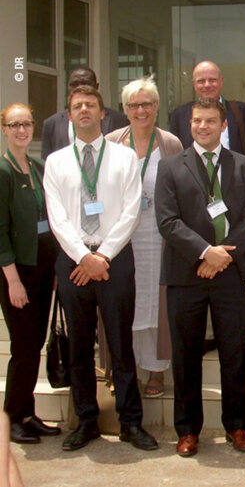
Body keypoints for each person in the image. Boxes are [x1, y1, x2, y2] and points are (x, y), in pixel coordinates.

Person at [43, 85, 157, 452]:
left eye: (90, 105)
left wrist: (103, 256)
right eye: (77, 106)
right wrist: (83, 257)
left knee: (121, 344)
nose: (84, 111)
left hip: (115, 259)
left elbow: (131, 210)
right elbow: (57, 218)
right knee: (79, 347)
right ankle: (87, 421)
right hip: (74, 260)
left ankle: (130, 423)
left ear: (103, 113)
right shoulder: (57, 162)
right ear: (70, 115)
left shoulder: (124, 158)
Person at [155, 98, 245, 457]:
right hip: (186, 273)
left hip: (230, 272)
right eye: (197, 121)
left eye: (210, 121)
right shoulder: (170, 166)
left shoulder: (244, 166)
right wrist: (204, 252)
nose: (203, 126)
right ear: (189, 124)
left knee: (235, 351)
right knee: (185, 355)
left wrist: (220, 257)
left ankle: (238, 425)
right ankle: (187, 430)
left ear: (223, 124)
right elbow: (167, 221)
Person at [105, 77, 183, 398]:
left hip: (158, 237)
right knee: (124, 299)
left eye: (147, 104)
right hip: (121, 238)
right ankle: (124, 367)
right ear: (125, 109)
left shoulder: (171, 144)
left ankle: (155, 369)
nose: (141, 110)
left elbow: (181, 192)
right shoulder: (110, 142)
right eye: (134, 105)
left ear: (156, 107)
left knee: (156, 302)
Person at [0, 104, 60, 444]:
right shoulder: (3, 171)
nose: (21, 130)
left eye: (26, 124)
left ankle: (28, 413)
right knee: (23, 346)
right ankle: (12, 419)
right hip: (16, 273)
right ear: (4, 130)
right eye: (14, 125)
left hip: (42, 268)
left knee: (34, 343)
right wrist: (12, 281)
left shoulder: (38, 167)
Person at [169, 60, 245, 186]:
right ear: (193, 84)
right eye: (201, 81)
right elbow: (175, 160)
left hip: (237, 189)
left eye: (212, 80)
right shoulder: (180, 115)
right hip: (193, 191)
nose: (207, 85)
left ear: (221, 81)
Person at [41, 68, 129, 159]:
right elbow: (45, 161)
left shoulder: (119, 120)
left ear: (96, 86)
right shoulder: (51, 124)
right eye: (74, 84)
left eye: (85, 83)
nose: (80, 88)